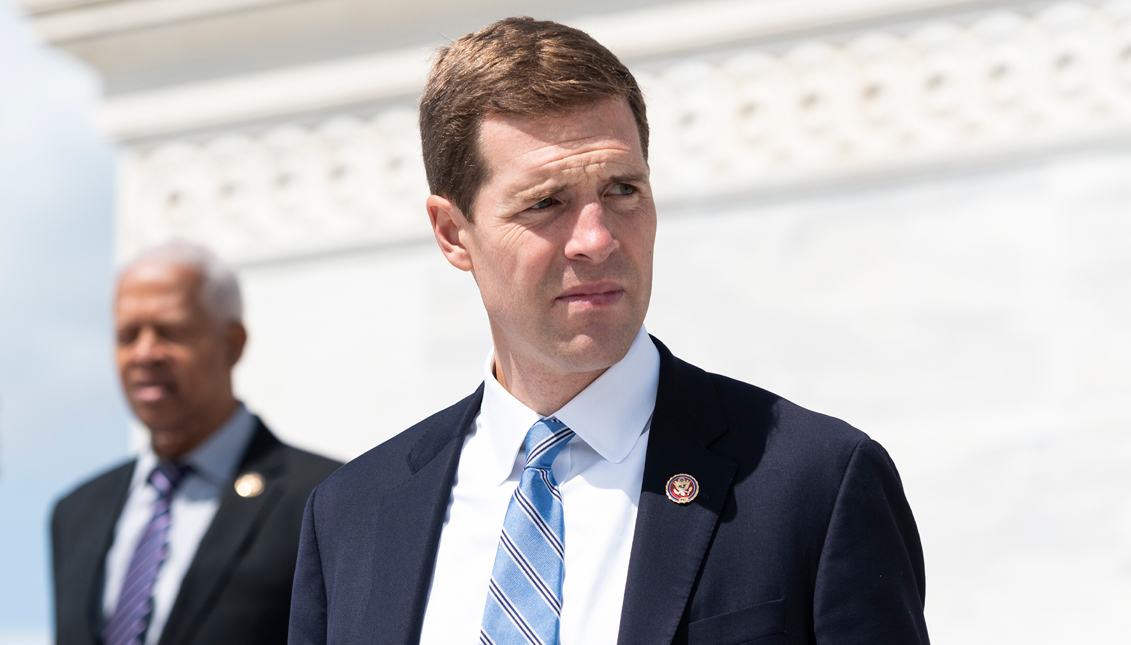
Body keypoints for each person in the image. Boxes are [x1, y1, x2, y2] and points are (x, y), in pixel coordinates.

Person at [289, 17, 928, 645]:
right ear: (454, 233)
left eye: (623, 189)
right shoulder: (352, 517)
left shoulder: (814, 481)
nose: (596, 240)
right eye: (545, 202)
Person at [52, 241, 341, 645]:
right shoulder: (76, 514)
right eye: (127, 335)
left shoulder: (326, 497)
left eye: (171, 332)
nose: (145, 353)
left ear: (233, 344)